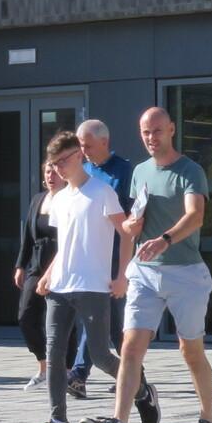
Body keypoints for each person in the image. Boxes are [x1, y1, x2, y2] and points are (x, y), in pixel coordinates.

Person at [78, 107, 212, 423]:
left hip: (185, 272)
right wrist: (131, 228)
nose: (151, 138)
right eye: (145, 132)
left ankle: (208, 420)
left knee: (190, 351)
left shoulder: (190, 171)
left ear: (171, 130)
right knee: (131, 346)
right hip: (145, 272)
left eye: (156, 131)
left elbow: (195, 216)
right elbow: (130, 221)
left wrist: (165, 239)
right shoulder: (139, 172)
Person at [30, 132, 154, 423]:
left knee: (100, 356)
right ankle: (59, 421)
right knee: (54, 353)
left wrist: (122, 274)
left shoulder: (102, 193)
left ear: (79, 157)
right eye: (53, 163)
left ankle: (141, 390)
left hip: (94, 286)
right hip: (61, 286)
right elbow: (66, 243)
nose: (58, 168)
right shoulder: (59, 198)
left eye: (63, 161)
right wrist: (48, 274)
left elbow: (125, 233)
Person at [66, 119, 134, 397]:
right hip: (89, 257)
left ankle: (82, 374)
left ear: (104, 142)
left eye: (88, 146)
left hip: (115, 257)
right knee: (99, 320)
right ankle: (130, 375)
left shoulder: (124, 171)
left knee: (108, 321)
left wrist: (124, 269)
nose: (83, 151)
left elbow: (131, 221)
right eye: (80, 146)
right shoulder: (83, 171)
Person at [15, 160, 79, 391]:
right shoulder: (38, 199)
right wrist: (21, 265)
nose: (51, 175)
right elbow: (27, 237)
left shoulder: (70, 200)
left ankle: (68, 371)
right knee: (26, 315)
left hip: (62, 262)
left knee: (64, 319)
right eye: (47, 171)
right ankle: (44, 365)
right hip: (36, 264)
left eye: (55, 171)